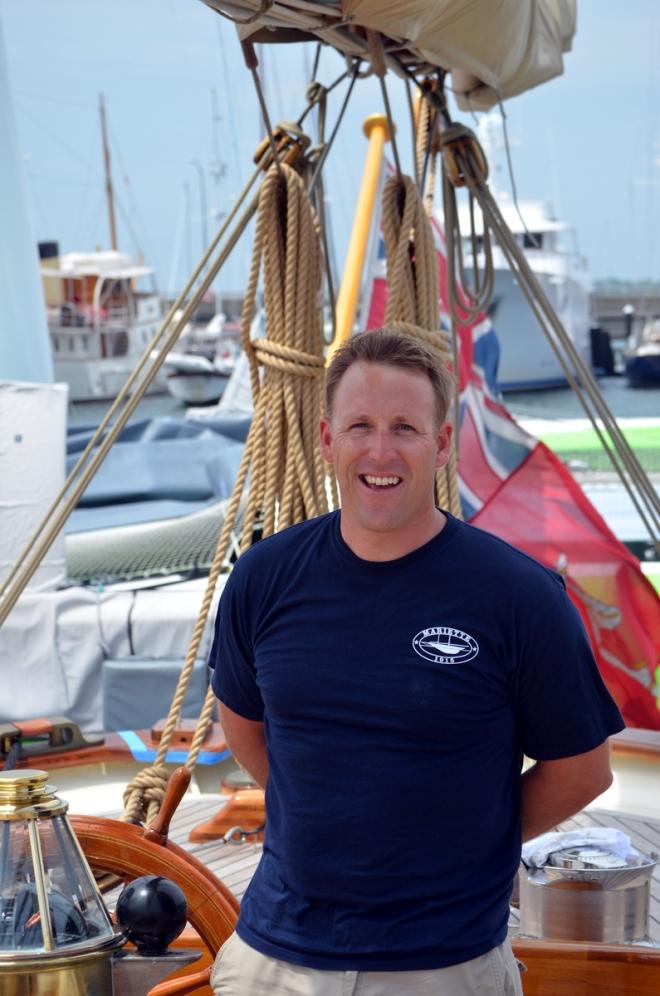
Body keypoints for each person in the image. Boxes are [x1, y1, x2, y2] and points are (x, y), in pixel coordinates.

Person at [208, 328, 624, 995]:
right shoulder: (263, 579)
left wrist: (463, 835)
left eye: (404, 427)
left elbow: (582, 771)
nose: (380, 450)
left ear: (440, 443)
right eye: (360, 426)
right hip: (272, 962)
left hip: (444, 967)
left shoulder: (518, 596)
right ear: (326, 441)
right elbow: (245, 726)